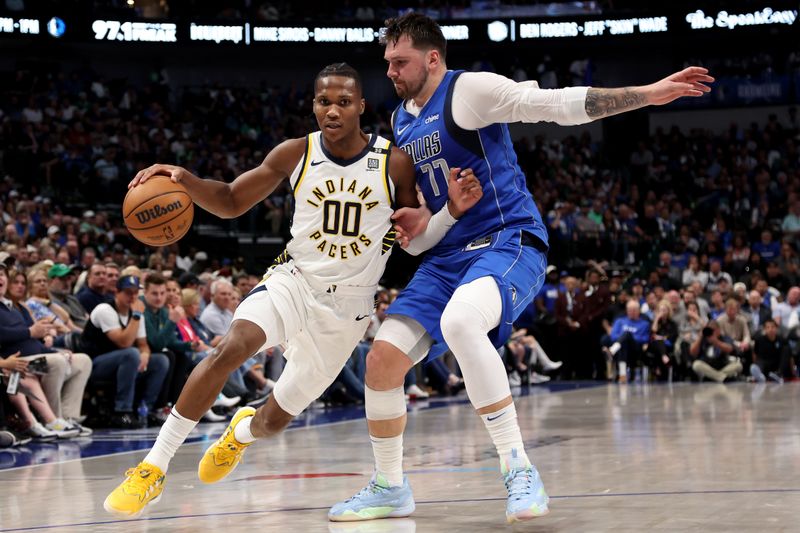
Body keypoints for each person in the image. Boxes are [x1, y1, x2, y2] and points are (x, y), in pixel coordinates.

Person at [330, 12, 713, 524]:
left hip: (508, 240)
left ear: (433, 58)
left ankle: (518, 468)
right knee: (381, 361)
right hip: (450, 255)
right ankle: (388, 485)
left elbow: (551, 106)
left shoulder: (470, 91)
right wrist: (425, 217)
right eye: (388, 63)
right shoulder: (402, 120)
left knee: (462, 322)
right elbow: (430, 235)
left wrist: (646, 93)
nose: (391, 72)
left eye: (400, 62)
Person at [103, 63, 482, 517]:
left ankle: (240, 432)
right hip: (295, 281)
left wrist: (449, 215)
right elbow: (229, 200)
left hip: (348, 311)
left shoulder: (394, 162)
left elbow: (415, 236)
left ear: (361, 106)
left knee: (272, 421)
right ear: (313, 105)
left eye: (344, 101)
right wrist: (184, 178)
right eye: (324, 101)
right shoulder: (294, 153)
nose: (333, 110)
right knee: (232, 346)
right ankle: (153, 468)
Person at [80, 275, 170, 428]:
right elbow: (124, 342)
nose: (133, 297)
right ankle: (122, 411)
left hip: (124, 363)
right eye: (128, 292)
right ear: (117, 292)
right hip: (94, 364)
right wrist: (136, 316)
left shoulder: (135, 313)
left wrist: (145, 355)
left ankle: (145, 409)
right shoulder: (105, 310)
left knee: (161, 360)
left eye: (136, 293)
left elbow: (142, 344)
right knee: (131, 353)